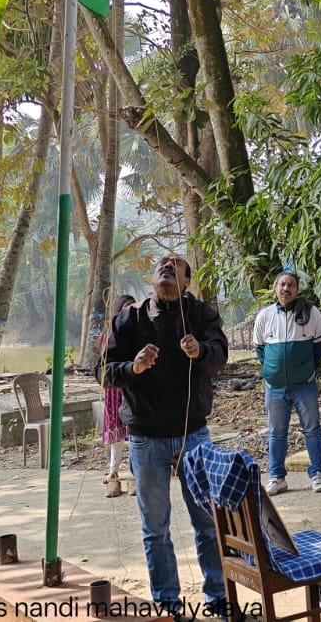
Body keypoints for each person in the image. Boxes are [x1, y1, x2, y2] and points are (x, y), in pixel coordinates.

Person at [103, 255, 228, 618]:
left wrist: (201, 351)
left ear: (187, 282)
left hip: (194, 435)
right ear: (152, 278)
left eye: (177, 266)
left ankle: (217, 598)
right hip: (146, 438)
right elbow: (104, 373)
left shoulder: (202, 315)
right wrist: (133, 366)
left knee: (207, 522)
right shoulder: (129, 319)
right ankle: (168, 605)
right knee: (155, 529)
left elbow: (220, 356)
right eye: (163, 264)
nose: (168, 267)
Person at [253, 271, 321, 496]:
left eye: (291, 285)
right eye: (282, 285)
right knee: (276, 432)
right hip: (274, 387)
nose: (286, 289)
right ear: (275, 288)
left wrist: (306, 370)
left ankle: (317, 474)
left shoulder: (310, 312)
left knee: (312, 429)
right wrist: (272, 372)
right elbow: (259, 349)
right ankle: (277, 477)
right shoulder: (265, 316)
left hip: (304, 385)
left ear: (297, 290)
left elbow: (320, 346)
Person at [99, 293, 137, 498]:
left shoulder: (141, 332)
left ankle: (134, 474)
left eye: (132, 306)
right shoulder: (109, 335)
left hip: (134, 388)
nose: (128, 310)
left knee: (134, 432)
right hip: (115, 390)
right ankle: (113, 473)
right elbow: (104, 366)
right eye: (125, 306)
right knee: (117, 433)